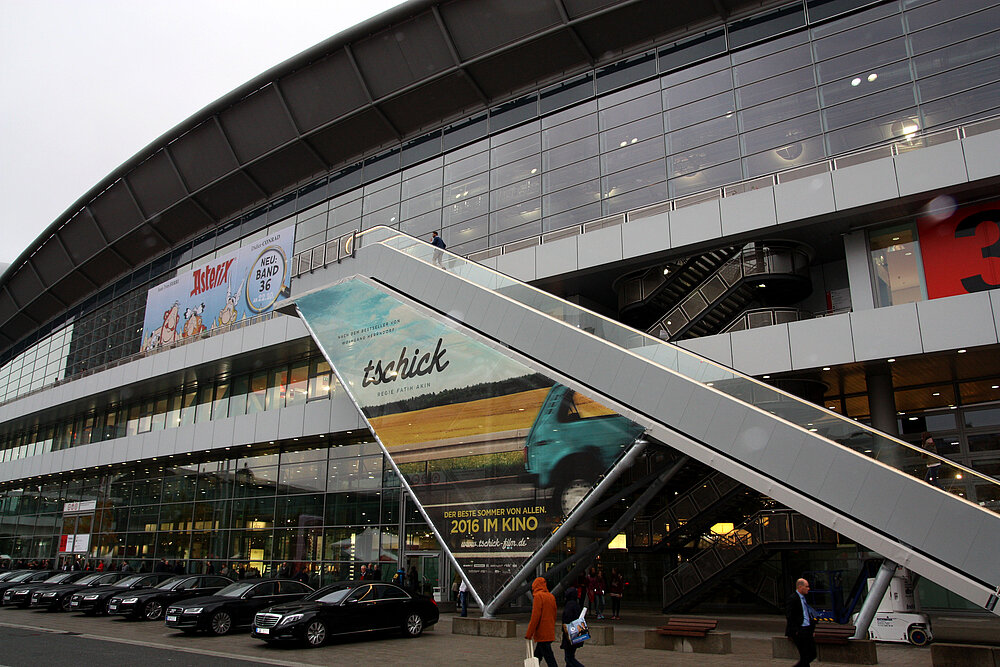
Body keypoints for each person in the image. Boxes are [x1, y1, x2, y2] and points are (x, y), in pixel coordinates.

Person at [525, 577, 558, 667]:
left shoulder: (538, 597)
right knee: (538, 654)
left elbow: (535, 617)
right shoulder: (551, 597)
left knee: (548, 657)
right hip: (549, 631)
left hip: (542, 632)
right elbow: (554, 614)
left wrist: (529, 633)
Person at [785, 578, 818, 667]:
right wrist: (796, 630)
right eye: (806, 586)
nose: (808, 588)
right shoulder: (793, 598)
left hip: (807, 629)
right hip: (800, 630)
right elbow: (789, 615)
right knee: (805, 655)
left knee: (812, 654)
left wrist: (812, 628)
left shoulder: (805, 598)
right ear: (800, 587)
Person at [560, 586, 585, 667]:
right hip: (576, 632)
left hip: (570, 633)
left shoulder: (569, 605)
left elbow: (567, 619)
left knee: (569, 658)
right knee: (569, 658)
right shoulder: (576, 604)